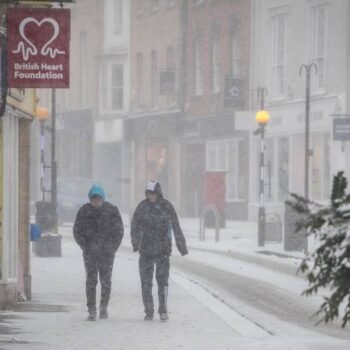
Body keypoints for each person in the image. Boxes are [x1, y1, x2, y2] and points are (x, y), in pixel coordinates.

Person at [130, 181, 188, 321]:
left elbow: (176, 226)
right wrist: (136, 243)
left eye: (153, 193)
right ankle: (149, 310)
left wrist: (181, 246)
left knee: (162, 282)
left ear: (159, 193)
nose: (151, 196)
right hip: (145, 250)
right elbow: (135, 226)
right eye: (149, 193)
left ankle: (163, 309)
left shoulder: (167, 207)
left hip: (162, 251)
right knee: (146, 282)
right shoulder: (142, 207)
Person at [73, 184, 124, 321]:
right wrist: (85, 246)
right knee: (91, 280)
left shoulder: (111, 211)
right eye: (94, 199)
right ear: (90, 199)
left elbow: (119, 231)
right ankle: (91, 308)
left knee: (106, 280)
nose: (96, 202)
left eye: (98, 199)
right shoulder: (84, 211)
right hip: (90, 253)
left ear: (102, 198)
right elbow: (77, 230)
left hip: (106, 253)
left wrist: (112, 247)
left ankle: (103, 307)